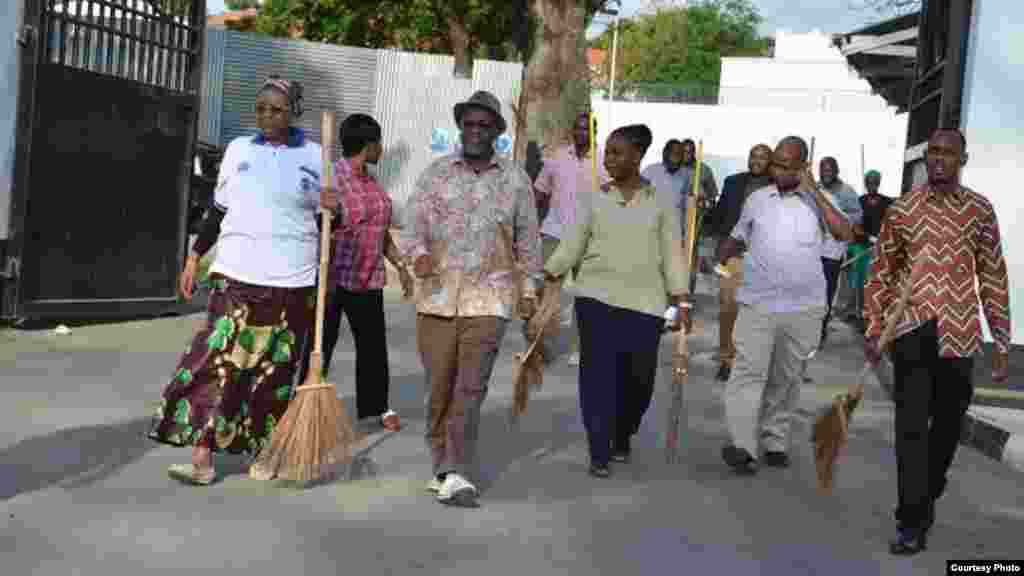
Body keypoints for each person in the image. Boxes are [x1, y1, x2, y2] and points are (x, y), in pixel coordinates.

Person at [149, 76, 339, 485]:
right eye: (261, 109)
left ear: (294, 113)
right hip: (235, 273)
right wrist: (194, 257)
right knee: (216, 363)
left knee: (274, 371)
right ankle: (202, 458)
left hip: (293, 279)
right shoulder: (237, 150)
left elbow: (331, 225)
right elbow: (217, 212)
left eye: (277, 110)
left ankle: (266, 454)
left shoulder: (316, 157)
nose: (267, 117)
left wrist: (332, 209)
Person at [864, 129, 1010, 555]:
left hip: (960, 335)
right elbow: (882, 272)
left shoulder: (980, 211)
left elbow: (993, 275)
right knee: (911, 428)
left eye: (948, 153)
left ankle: (927, 493)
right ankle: (909, 519)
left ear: (964, 158)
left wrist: (1001, 338)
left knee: (946, 429)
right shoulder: (903, 209)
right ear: (925, 160)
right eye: (933, 153)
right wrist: (875, 326)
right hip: (911, 331)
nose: (939, 159)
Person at [399, 91, 542, 508]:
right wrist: (418, 255)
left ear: (498, 131)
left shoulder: (515, 180)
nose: (475, 131)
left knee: (471, 385)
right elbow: (412, 227)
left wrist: (529, 291)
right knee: (439, 384)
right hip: (438, 298)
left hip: (490, 298)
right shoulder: (436, 174)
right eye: (469, 124)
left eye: (484, 125)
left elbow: (529, 242)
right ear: (461, 128)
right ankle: (440, 460)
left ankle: (457, 469)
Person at [545, 124, 688, 478]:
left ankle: (623, 432)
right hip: (595, 298)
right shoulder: (593, 198)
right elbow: (572, 244)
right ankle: (599, 449)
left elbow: (672, 251)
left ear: (638, 157)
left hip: (645, 305)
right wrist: (549, 274)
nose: (608, 159)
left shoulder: (661, 202)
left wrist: (681, 297)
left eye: (617, 152)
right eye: (607, 152)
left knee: (639, 382)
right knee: (596, 376)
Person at [717, 135, 853, 475]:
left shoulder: (822, 202)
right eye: (775, 163)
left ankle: (774, 439)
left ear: (803, 167)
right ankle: (743, 446)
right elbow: (739, 234)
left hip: (802, 308)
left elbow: (844, 233)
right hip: (758, 303)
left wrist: (815, 193)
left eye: (784, 165)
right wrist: (723, 252)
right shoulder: (757, 199)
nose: (775, 170)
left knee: (786, 378)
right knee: (747, 373)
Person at [297, 113, 413, 433]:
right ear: (368, 144)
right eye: (378, 142)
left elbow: (380, 230)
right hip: (334, 280)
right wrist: (328, 216)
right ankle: (302, 401)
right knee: (320, 345)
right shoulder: (331, 180)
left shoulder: (373, 184)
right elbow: (318, 227)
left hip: (368, 278)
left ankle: (376, 406)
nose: (382, 148)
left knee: (373, 347)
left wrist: (400, 265)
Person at [533, 111, 608, 367]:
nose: (581, 133)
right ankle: (541, 347)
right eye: (577, 128)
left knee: (585, 297)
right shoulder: (556, 158)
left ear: (595, 132)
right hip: (554, 234)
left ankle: (581, 348)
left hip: (588, 239)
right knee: (547, 295)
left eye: (586, 129)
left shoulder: (603, 163)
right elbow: (539, 193)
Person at [708, 143, 773, 381]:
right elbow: (719, 215)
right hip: (731, 256)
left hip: (762, 258)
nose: (756, 161)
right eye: (753, 156)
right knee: (728, 307)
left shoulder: (776, 187)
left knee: (757, 313)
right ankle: (727, 359)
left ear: (770, 161)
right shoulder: (733, 182)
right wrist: (702, 207)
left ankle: (752, 362)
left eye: (762, 157)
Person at [817, 156, 863, 345]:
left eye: (829, 169)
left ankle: (820, 329)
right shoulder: (815, 189)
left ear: (836, 171)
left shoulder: (847, 192)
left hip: (833, 251)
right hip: (812, 249)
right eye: (822, 169)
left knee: (827, 291)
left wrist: (837, 222)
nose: (825, 172)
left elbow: (856, 217)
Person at [846, 169, 892, 326]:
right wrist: (868, 238)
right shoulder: (859, 201)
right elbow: (854, 225)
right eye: (869, 181)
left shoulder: (887, 202)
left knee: (875, 281)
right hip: (861, 247)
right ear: (866, 183)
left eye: (875, 181)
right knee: (858, 281)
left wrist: (882, 239)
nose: (872, 184)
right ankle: (856, 312)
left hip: (879, 249)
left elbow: (891, 222)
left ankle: (872, 314)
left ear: (879, 182)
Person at [680, 138, 719, 295]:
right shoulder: (674, 170)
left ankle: (688, 294)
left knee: (691, 259)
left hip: (694, 224)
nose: (687, 155)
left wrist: (705, 204)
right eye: (684, 151)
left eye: (690, 151)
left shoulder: (704, 170)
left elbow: (712, 197)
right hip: (674, 222)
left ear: (695, 152)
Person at [641, 139, 687, 208]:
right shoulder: (650, 171)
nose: (676, 158)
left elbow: (697, 198)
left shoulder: (688, 175)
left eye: (679, 154)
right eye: (673, 153)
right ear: (665, 153)